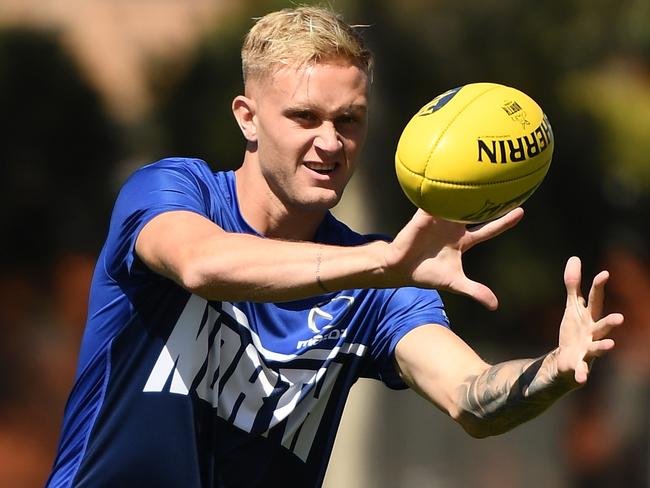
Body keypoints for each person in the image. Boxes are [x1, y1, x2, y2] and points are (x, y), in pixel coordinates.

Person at [46, 5, 623, 487]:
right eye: (304, 117)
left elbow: (470, 398)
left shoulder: (381, 287)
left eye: (349, 120)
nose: (330, 142)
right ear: (247, 119)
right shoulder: (173, 189)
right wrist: (382, 262)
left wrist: (551, 371)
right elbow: (200, 265)